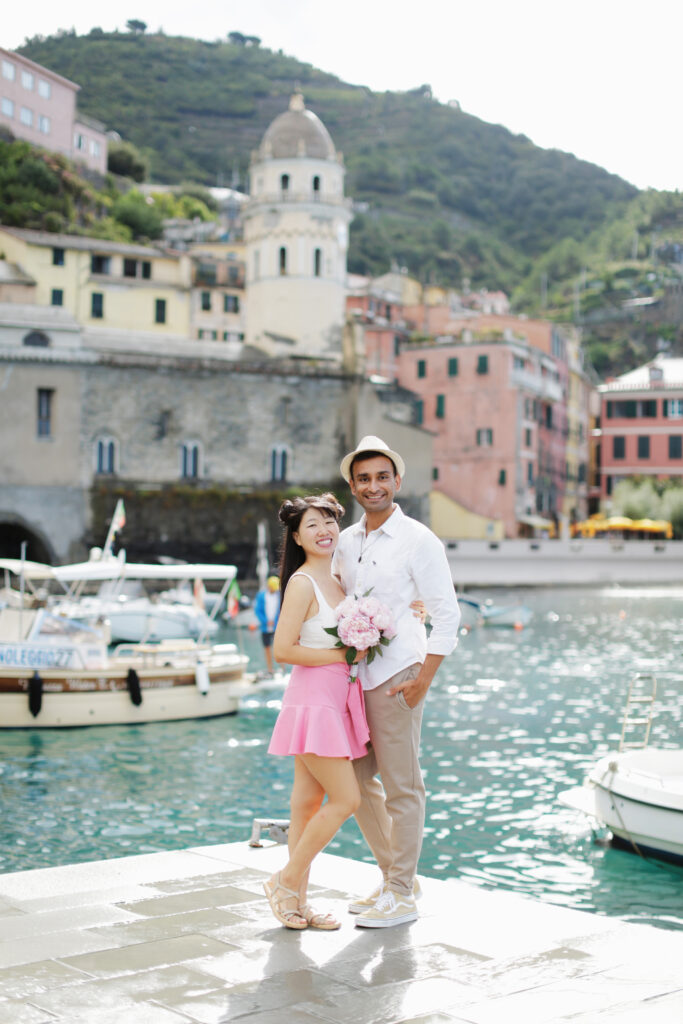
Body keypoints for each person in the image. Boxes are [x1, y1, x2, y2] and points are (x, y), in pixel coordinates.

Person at [333, 435, 461, 928]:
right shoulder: (346, 541)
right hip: (354, 677)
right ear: (352, 486)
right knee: (357, 783)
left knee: (403, 786)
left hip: (399, 673)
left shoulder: (419, 540)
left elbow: (446, 616)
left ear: (397, 482)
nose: (373, 486)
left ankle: (401, 894)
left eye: (382, 477)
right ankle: (394, 875)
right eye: (363, 479)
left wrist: (422, 680)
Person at [263, 493, 369, 930]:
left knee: (306, 804)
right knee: (347, 799)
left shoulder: (340, 581)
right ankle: (285, 882)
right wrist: (341, 655)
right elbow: (282, 649)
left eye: (329, 521)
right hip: (313, 699)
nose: (324, 530)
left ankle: (296, 905)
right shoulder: (303, 583)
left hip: (335, 699)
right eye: (313, 525)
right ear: (296, 537)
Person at [253, 575, 281, 675]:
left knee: (279, 648)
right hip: (265, 627)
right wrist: (266, 621)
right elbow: (258, 610)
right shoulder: (261, 596)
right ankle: (270, 669)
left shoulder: (279, 596)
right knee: (267, 648)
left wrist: (276, 621)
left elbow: (281, 610)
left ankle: (282, 670)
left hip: (277, 626)